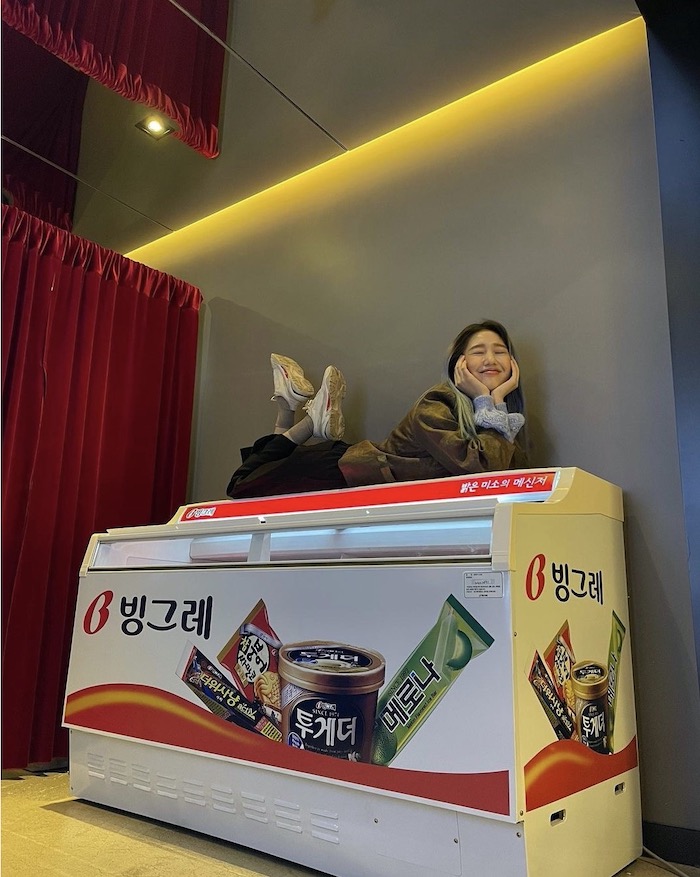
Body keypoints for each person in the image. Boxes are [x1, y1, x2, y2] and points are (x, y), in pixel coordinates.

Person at [226, 320, 528, 499]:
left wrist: (493, 403)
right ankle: (306, 421)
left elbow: (501, 478)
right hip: (337, 471)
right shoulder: (437, 402)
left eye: (500, 352)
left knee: (260, 472)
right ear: (459, 364)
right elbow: (483, 472)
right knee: (242, 483)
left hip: (350, 468)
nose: (491, 359)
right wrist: (491, 399)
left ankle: (289, 405)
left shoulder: (498, 421)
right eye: (478, 352)